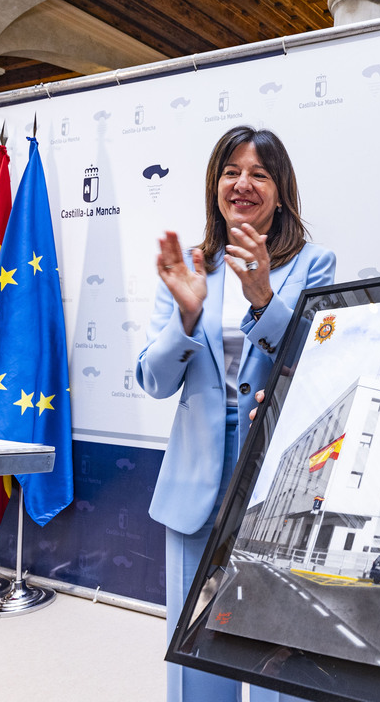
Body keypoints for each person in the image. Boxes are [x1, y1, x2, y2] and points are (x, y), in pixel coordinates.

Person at [137, 125, 335, 702]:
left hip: (277, 472)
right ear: (214, 184)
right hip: (196, 474)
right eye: (231, 172)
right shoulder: (192, 266)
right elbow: (153, 379)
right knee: (197, 644)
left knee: (276, 649)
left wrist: (264, 301)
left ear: (280, 190)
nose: (242, 184)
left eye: (259, 173)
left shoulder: (312, 264)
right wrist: (188, 317)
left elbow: (315, 363)